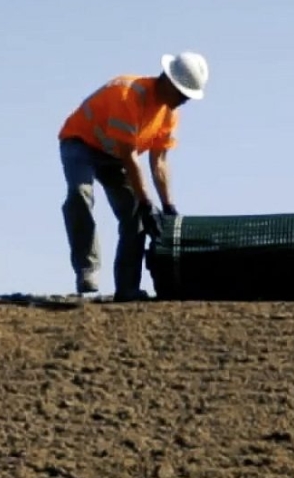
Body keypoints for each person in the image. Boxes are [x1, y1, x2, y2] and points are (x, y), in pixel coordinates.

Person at [57, 52, 208, 301]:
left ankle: (127, 288)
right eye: (182, 94)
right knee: (80, 194)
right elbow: (129, 157)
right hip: (81, 142)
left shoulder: (169, 114)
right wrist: (147, 203)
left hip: (114, 155)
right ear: (168, 81)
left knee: (134, 216)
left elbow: (159, 162)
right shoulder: (129, 95)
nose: (184, 101)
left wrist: (168, 207)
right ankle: (87, 269)